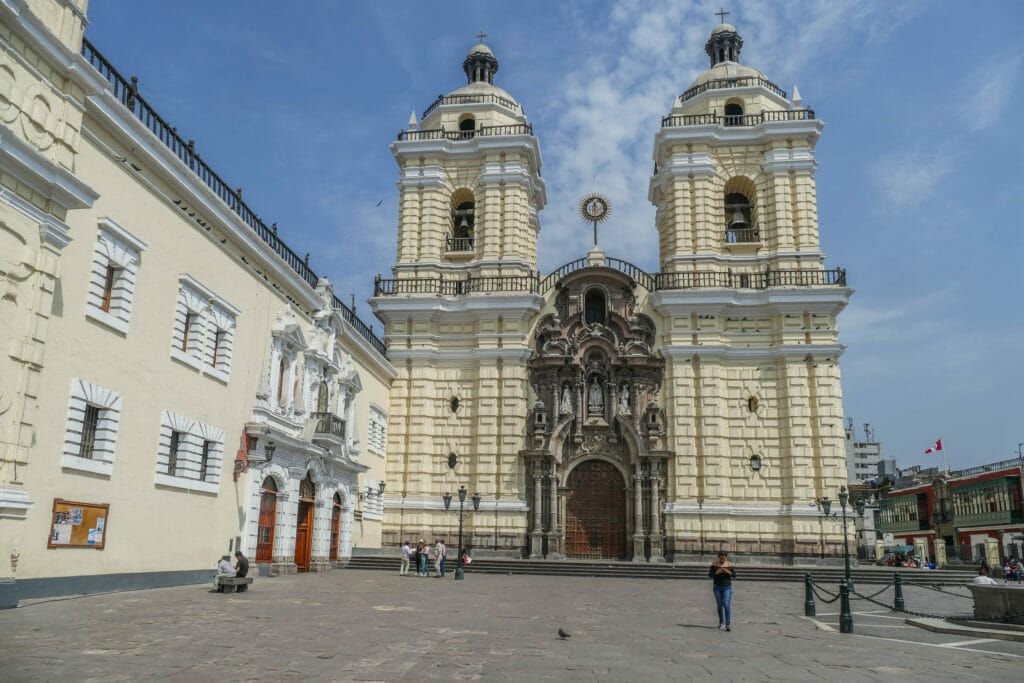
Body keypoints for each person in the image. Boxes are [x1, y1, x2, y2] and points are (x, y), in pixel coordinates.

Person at [708, 551, 735, 631]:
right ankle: (721, 622)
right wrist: (717, 572)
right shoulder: (714, 564)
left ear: (726, 557)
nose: (722, 560)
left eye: (724, 558)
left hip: (727, 587)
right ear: (718, 557)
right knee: (719, 605)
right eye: (721, 558)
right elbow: (710, 575)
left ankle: (727, 623)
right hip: (717, 587)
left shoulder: (730, 565)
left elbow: (734, 575)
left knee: (726, 604)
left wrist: (727, 571)